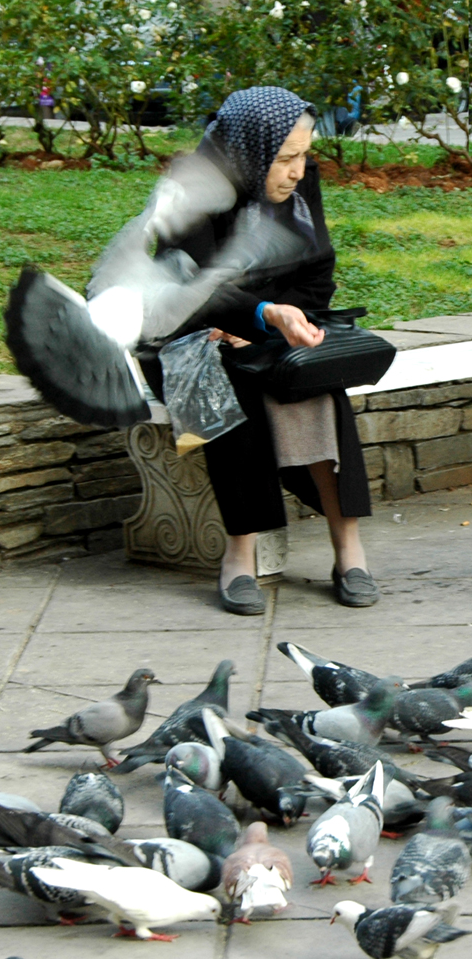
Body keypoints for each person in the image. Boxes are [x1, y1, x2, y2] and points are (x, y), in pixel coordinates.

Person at [137, 86, 378, 615]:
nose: (298, 171)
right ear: (249, 150)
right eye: (286, 157)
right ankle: (240, 551)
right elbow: (180, 287)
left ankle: (348, 546)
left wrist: (273, 323)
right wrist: (255, 315)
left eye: (304, 155)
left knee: (312, 380)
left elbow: (317, 278)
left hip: (271, 327)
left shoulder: (298, 182)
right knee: (231, 380)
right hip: (186, 332)